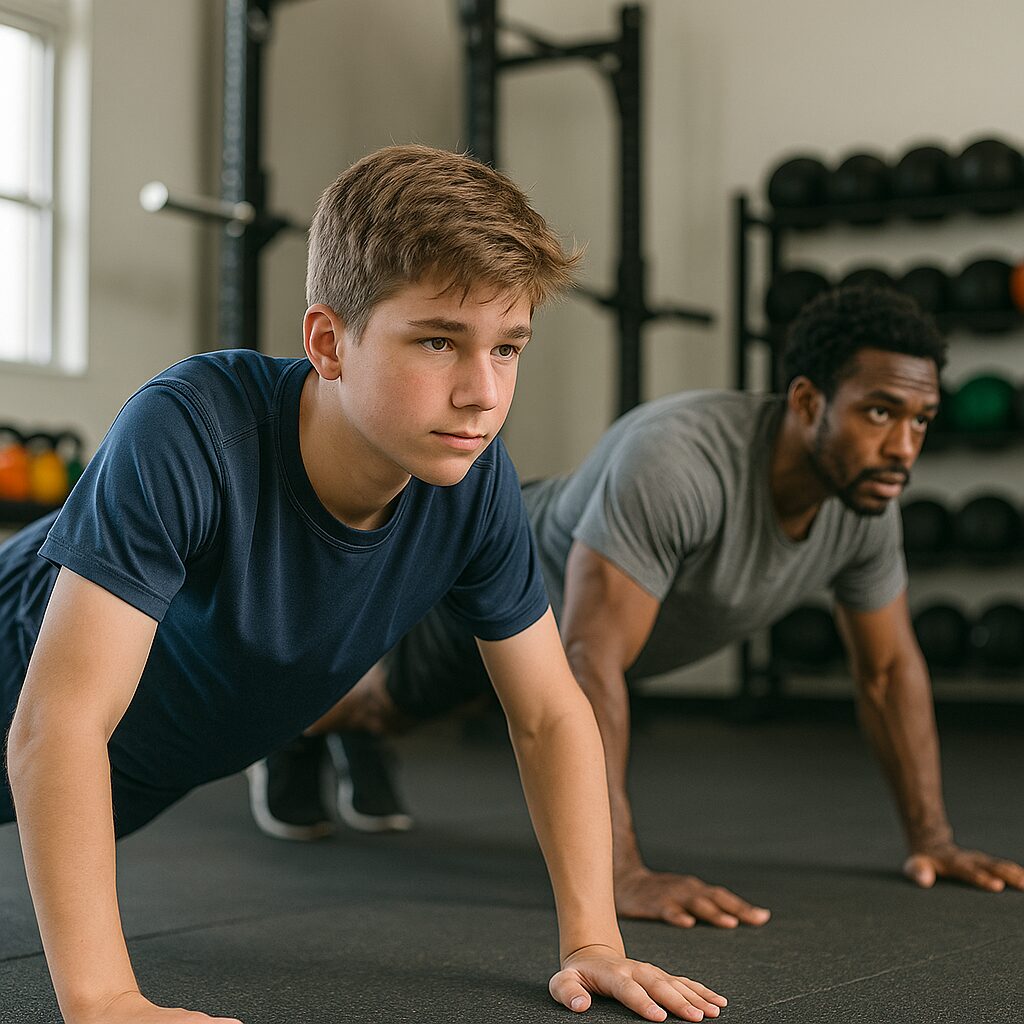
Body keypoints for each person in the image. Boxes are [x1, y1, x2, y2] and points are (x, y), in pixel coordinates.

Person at [0, 145, 727, 1024]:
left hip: (137, 775)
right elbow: (57, 723)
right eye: (437, 341)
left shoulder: (472, 485)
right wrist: (105, 999)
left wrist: (593, 943)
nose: (482, 394)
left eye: (508, 348)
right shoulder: (190, 429)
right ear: (328, 342)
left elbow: (548, 713)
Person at [270, 285, 1024, 929]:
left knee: (402, 712)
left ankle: (353, 728)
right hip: (492, 575)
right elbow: (590, 661)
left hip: (563, 633)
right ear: (806, 401)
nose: (903, 448)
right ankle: (293, 730)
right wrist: (617, 876)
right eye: (880, 413)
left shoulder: (866, 509)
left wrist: (935, 838)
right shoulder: (680, 461)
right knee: (379, 704)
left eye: (919, 422)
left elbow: (889, 671)